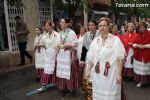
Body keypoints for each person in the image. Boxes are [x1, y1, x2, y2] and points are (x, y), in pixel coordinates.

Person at [84, 17, 126, 100]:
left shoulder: (115, 40)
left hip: (111, 73)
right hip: (98, 73)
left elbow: (120, 58)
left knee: (110, 96)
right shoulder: (95, 41)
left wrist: (119, 74)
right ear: (98, 28)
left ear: (108, 27)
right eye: (100, 26)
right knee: (98, 95)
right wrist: (88, 71)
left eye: (104, 25)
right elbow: (91, 58)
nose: (102, 27)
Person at [55, 18, 81, 95]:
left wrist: (68, 45)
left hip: (68, 54)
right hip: (61, 55)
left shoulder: (71, 32)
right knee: (62, 71)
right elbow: (57, 43)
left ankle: (70, 88)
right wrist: (58, 46)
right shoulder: (60, 33)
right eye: (60, 22)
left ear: (67, 24)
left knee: (69, 72)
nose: (61, 23)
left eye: (63, 22)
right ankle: (64, 86)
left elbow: (76, 43)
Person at [38, 20, 60, 91]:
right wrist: (39, 45)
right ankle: (43, 85)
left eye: (47, 26)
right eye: (45, 26)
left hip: (55, 54)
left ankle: (57, 83)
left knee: (55, 70)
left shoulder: (57, 35)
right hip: (47, 55)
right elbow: (44, 44)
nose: (45, 27)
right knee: (46, 70)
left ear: (51, 26)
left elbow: (59, 45)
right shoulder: (45, 36)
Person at [79, 20, 99, 100]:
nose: (90, 27)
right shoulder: (86, 35)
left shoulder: (100, 34)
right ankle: (90, 93)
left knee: (96, 75)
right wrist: (82, 60)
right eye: (89, 25)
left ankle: (97, 92)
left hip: (98, 59)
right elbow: (84, 48)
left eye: (92, 25)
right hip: (88, 58)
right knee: (88, 74)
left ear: (96, 26)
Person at [132, 21, 150, 87]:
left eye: (142, 27)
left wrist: (145, 46)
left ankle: (146, 81)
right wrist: (137, 45)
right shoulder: (138, 35)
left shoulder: (149, 34)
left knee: (145, 69)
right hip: (139, 54)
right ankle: (140, 81)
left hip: (147, 54)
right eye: (140, 28)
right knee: (140, 69)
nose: (141, 29)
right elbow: (133, 43)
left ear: (145, 27)